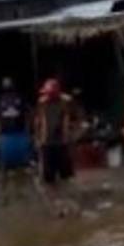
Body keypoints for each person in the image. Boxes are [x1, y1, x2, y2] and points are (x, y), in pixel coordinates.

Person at [33, 78, 76, 214]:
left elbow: (67, 122)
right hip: (49, 144)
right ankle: (59, 206)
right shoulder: (43, 103)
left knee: (63, 178)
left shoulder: (65, 102)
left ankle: (65, 205)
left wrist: (68, 139)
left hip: (58, 144)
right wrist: (39, 140)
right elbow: (39, 122)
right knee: (50, 180)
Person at [0, 77, 31, 199]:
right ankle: (4, 193)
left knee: (20, 164)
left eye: (9, 84)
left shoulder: (20, 98)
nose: (7, 87)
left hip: (19, 134)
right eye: (5, 84)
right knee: (4, 165)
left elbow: (29, 113)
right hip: (6, 135)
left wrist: (27, 129)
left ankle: (20, 191)